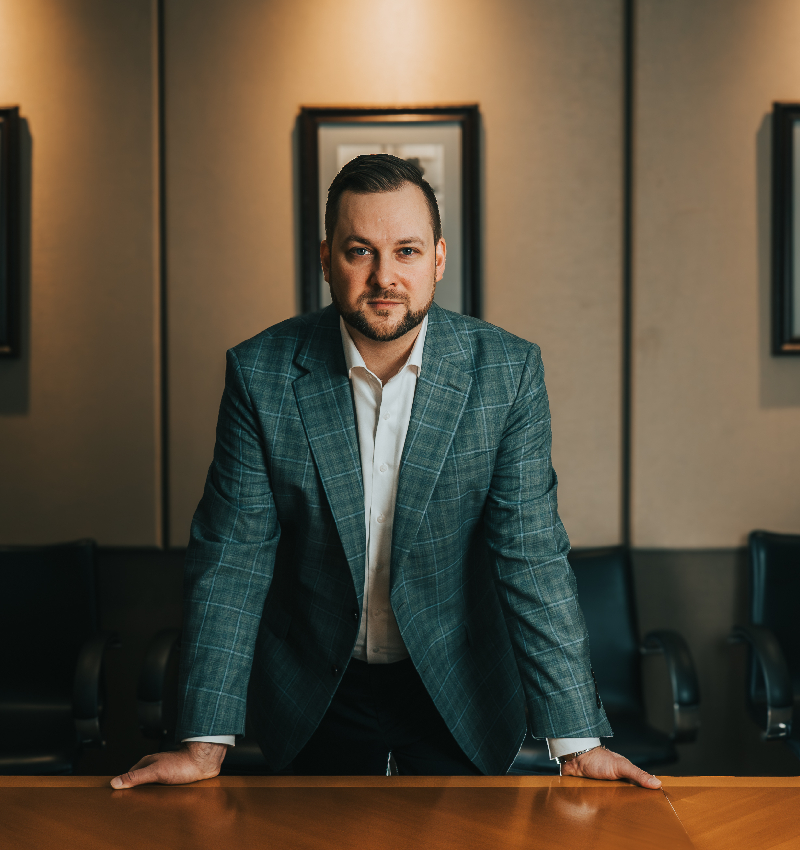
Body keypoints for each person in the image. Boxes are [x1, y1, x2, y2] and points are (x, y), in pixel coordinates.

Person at [112, 155, 661, 789]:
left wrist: (577, 741)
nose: (384, 277)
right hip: (315, 681)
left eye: (405, 251)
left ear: (438, 259)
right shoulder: (261, 373)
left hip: (458, 682)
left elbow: (529, 552)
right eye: (358, 252)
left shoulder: (505, 373)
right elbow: (233, 558)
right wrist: (203, 742)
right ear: (325, 260)